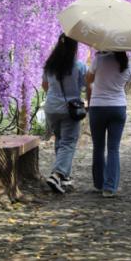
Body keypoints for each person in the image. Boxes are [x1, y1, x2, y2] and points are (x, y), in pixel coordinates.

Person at [41, 34, 87, 193]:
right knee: (68, 142)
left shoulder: (49, 65)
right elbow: (84, 85)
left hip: (51, 108)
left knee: (60, 140)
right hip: (70, 109)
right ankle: (56, 175)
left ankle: (65, 178)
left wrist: (55, 95)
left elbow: (45, 86)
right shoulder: (79, 66)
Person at [86, 49, 131, 197]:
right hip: (118, 107)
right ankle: (110, 187)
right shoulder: (127, 64)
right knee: (113, 149)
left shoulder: (99, 60)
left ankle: (99, 184)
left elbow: (88, 80)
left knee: (98, 147)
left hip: (97, 107)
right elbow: (125, 82)